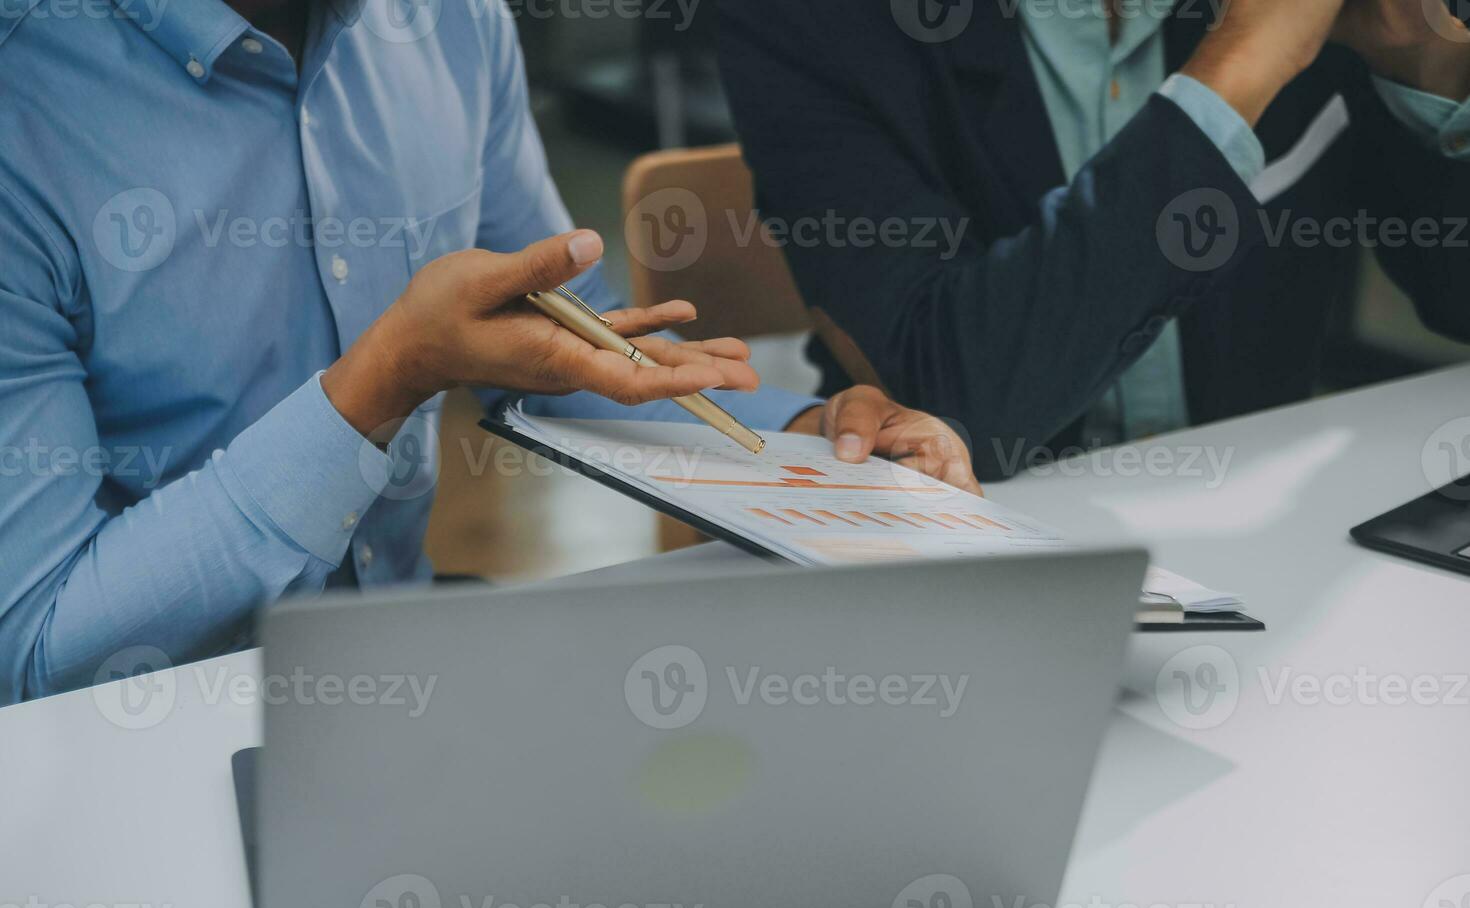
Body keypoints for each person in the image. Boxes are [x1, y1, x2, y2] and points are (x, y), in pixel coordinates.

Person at [0, 0, 978, 704]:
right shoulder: (29, 106)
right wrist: (380, 382)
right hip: (134, 733)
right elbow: (39, 644)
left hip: (405, 664)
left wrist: (815, 445)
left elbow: (562, 326)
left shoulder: (450, 24)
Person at [719, 0, 1470, 477]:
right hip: (958, 554)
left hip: (1264, 536)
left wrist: (1430, 77)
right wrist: (1235, 71)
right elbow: (950, 394)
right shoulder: (808, 19)